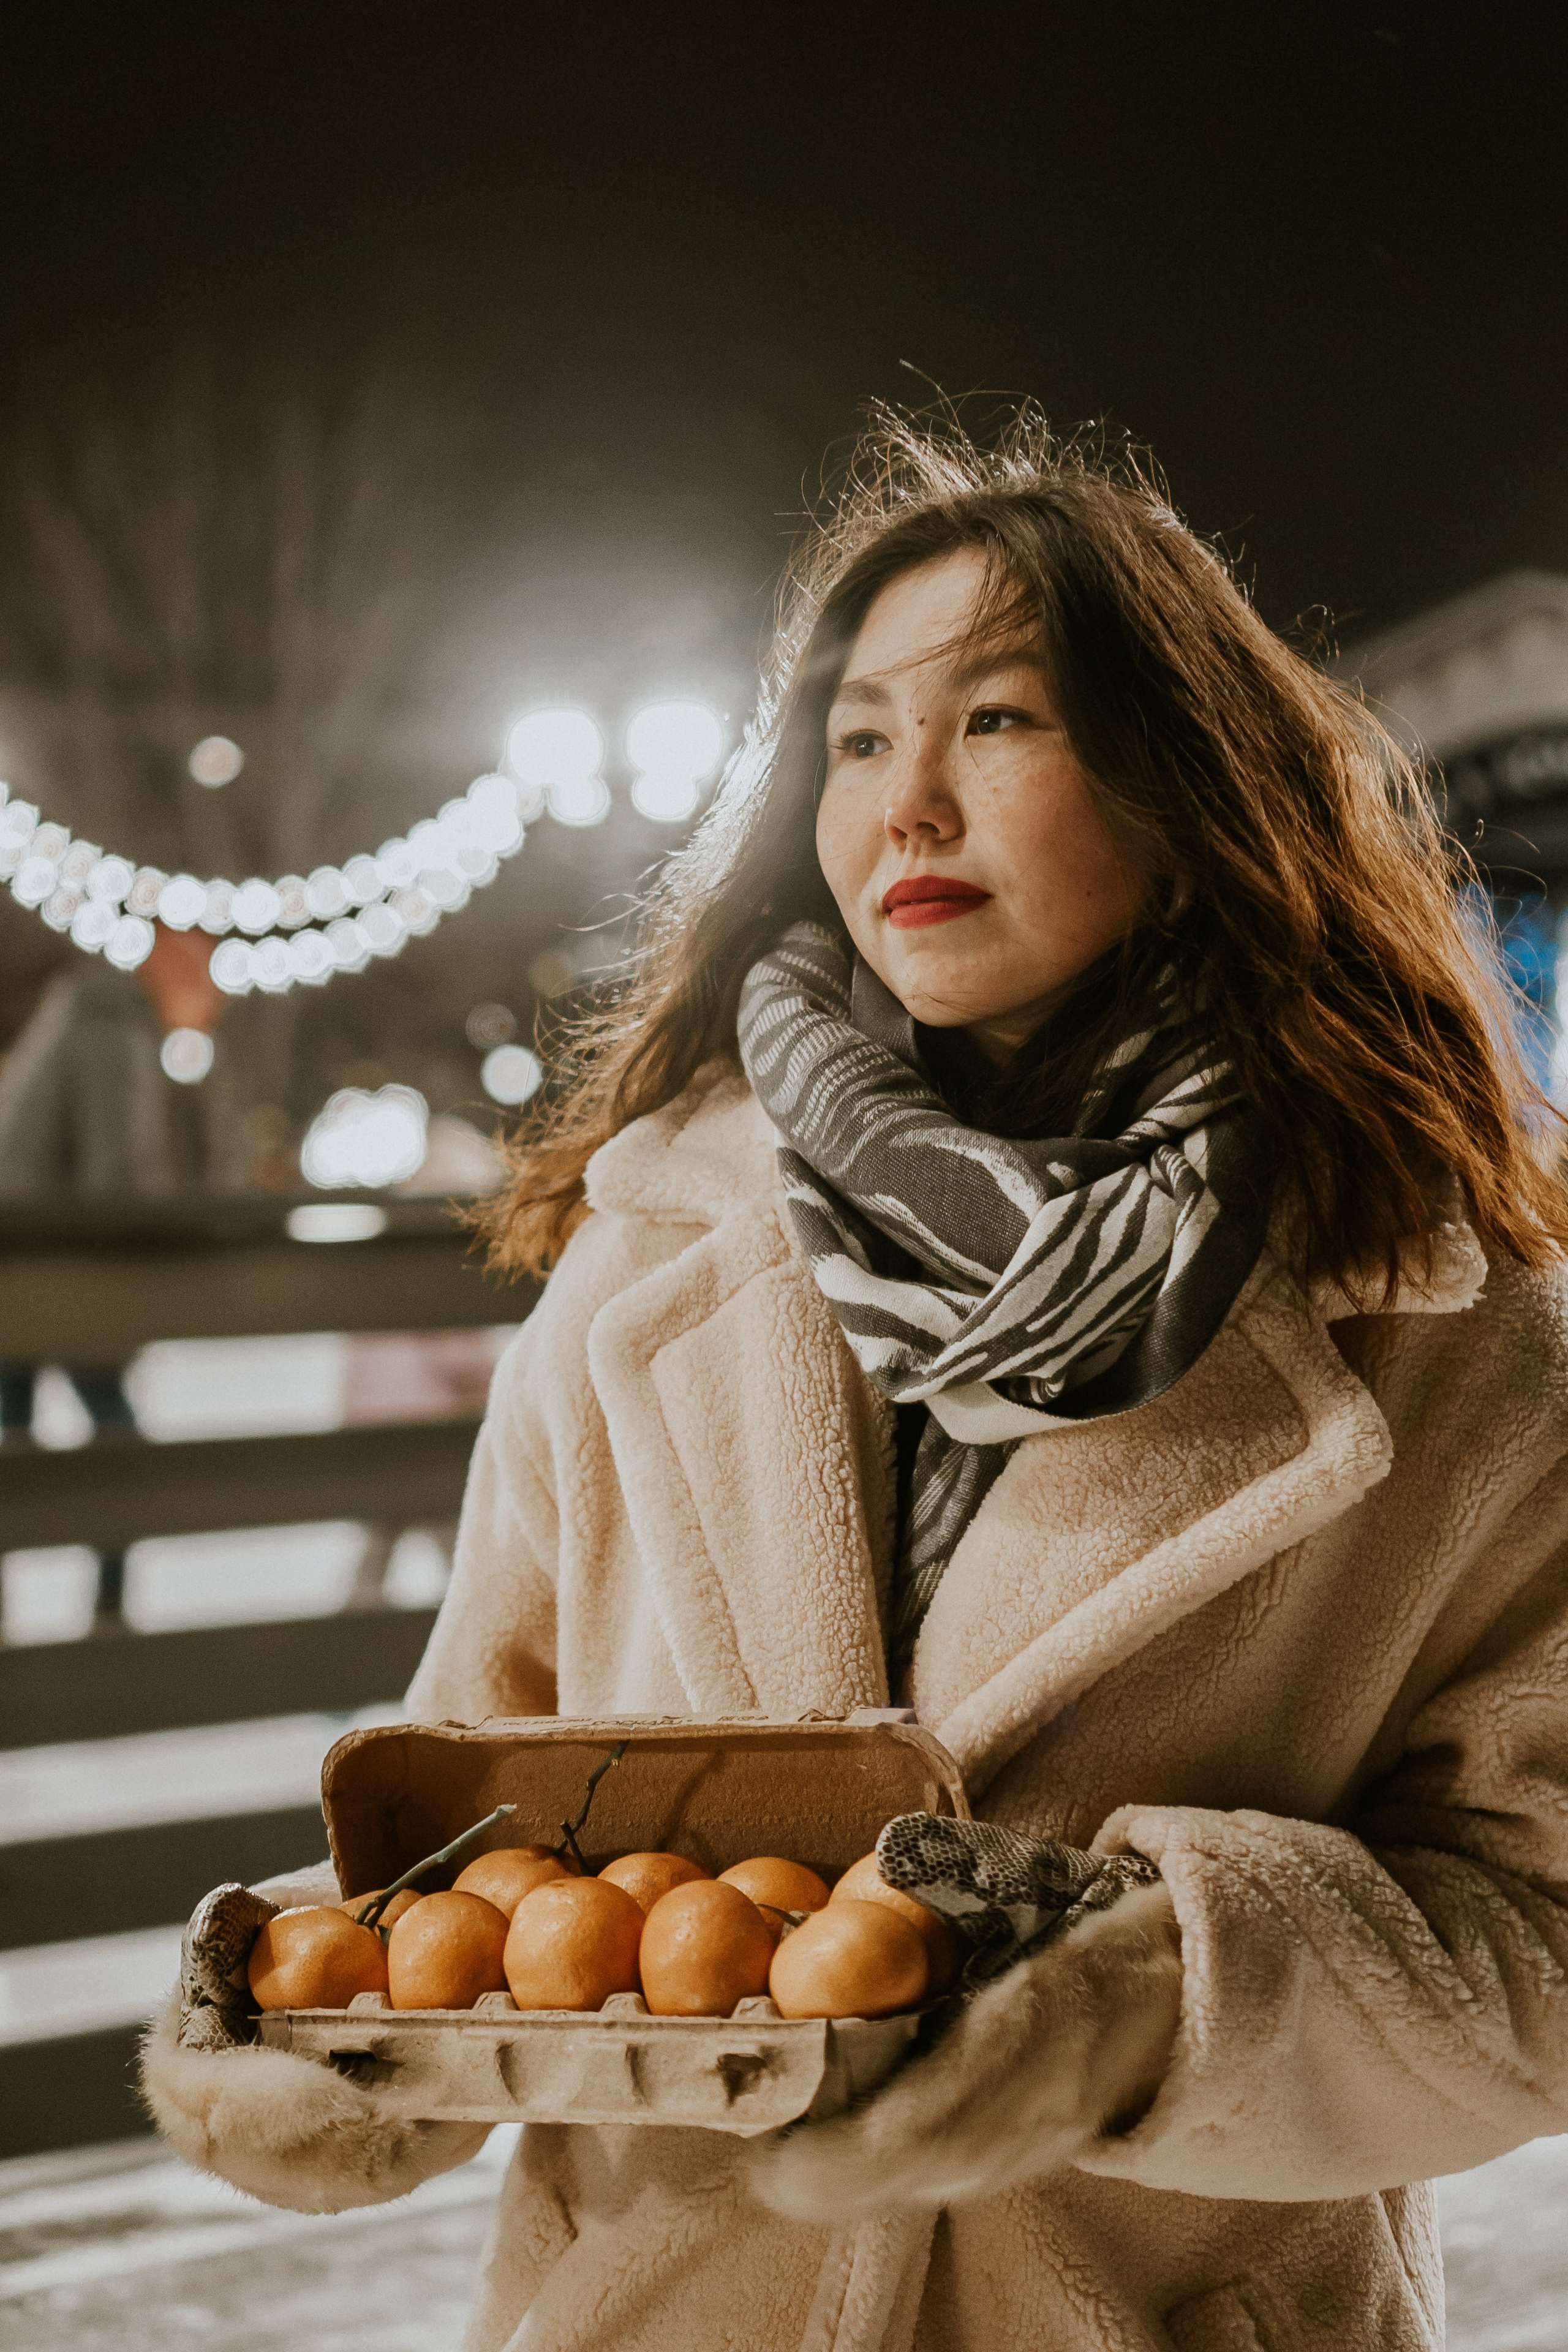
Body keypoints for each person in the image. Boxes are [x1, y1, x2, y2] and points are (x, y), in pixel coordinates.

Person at [144, 412, 1568, 2352]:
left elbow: (1539, 1931)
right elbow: (489, 1806)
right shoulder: (651, 1255)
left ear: (1189, 792)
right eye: (860, 738)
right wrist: (339, 2018)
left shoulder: (1444, 1314)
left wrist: (1156, 1998)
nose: (910, 804)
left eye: (996, 720)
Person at [0, 920, 230, 1623]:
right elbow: (119, 1175)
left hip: (25, 1264)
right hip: (56, 1272)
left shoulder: (79, 1012)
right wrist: (173, 1242)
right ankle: (110, 1617)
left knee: (17, 1434)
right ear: (168, 957)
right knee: (115, 1440)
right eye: (203, 968)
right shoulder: (112, 1027)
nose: (213, 992)